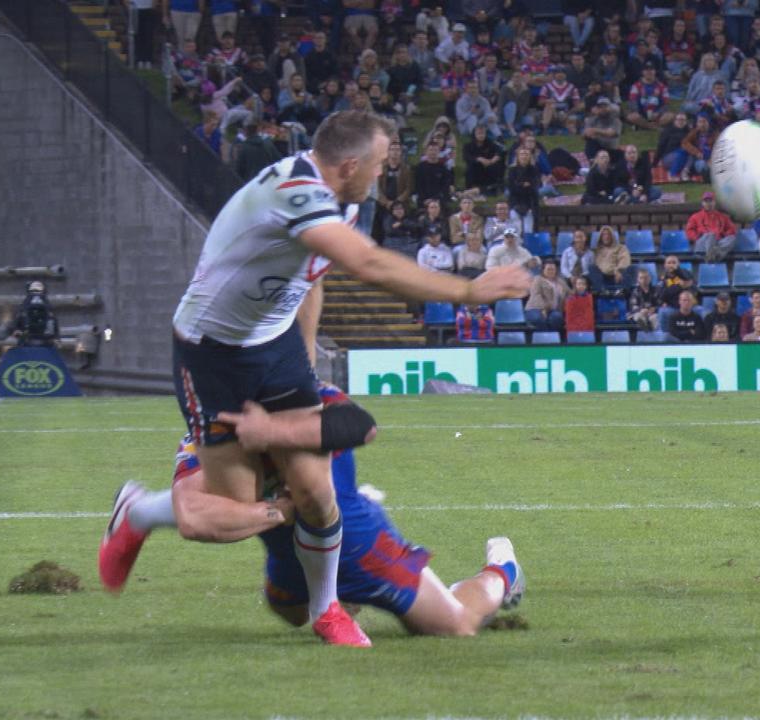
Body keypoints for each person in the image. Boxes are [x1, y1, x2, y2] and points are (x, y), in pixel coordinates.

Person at [142, 110, 530, 647]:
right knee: (247, 524)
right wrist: (467, 290)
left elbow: (313, 285)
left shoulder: (338, 203)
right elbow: (368, 265)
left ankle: (479, 577)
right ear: (350, 165)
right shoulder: (301, 195)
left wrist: (301, 370)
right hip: (213, 350)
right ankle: (160, 509)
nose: (384, 174)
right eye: (379, 164)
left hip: (284, 379)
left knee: (323, 502)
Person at [111, 385, 524, 638]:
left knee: (455, 625)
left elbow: (360, 425)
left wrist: (277, 436)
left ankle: (502, 568)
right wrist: (276, 513)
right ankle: (139, 512)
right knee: (290, 614)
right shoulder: (211, 422)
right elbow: (193, 511)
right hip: (287, 547)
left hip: (358, 542)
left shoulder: (308, 394)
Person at [686, 191, 738, 263]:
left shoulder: (723, 217)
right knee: (711, 235)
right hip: (702, 243)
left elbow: (732, 229)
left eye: (710, 201)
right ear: (702, 203)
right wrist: (698, 236)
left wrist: (724, 235)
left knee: (732, 238)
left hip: (718, 243)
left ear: (714, 203)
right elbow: (689, 231)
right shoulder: (695, 217)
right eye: (706, 201)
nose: (708, 203)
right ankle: (713, 256)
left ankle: (713, 256)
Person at [525, 259, 568, 331]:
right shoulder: (537, 279)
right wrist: (543, 309)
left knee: (557, 317)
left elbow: (569, 293)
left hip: (553, 310)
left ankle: (552, 337)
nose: (551, 271)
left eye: (553, 269)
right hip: (535, 308)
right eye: (548, 269)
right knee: (538, 318)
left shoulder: (561, 281)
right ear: (543, 270)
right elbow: (536, 295)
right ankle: (545, 338)